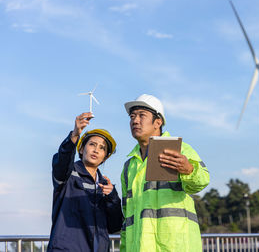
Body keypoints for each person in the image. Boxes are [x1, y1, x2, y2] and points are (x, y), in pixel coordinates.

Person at [120, 94, 210, 252]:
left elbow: (202, 181)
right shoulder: (129, 166)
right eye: (132, 116)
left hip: (176, 246)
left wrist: (188, 169)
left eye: (142, 115)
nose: (135, 121)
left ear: (158, 122)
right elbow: (127, 217)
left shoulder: (180, 149)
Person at [48, 112, 123, 252]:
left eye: (102, 148)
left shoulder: (105, 186)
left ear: (105, 158)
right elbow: (62, 161)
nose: (96, 150)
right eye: (92, 144)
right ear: (81, 149)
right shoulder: (68, 174)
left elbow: (114, 226)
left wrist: (112, 197)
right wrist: (75, 135)